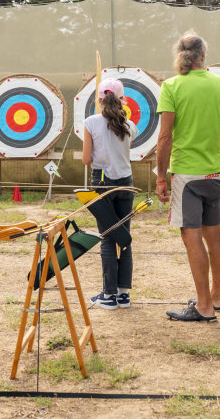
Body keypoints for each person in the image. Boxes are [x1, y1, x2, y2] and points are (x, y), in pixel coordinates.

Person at [155, 32, 220, 322]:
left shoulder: (172, 86)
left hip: (186, 175)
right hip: (213, 175)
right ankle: (217, 298)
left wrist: (161, 178)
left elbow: (164, 137)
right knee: (213, 235)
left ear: (180, 54)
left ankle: (204, 306)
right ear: (203, 55)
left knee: (191, 237)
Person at [82, 78, 138, 310]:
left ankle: (108, 295)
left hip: (103, 183)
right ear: (122, 98)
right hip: (126, 184)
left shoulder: (91, 122)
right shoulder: (130, 125)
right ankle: (123, 295)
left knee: (107, 236)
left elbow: (86, 160)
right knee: (123, 236)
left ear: (99, 99)